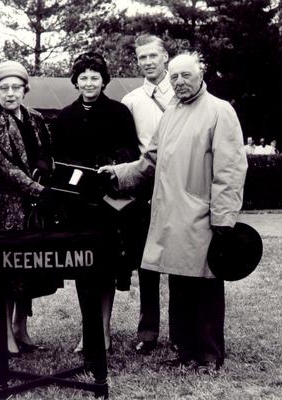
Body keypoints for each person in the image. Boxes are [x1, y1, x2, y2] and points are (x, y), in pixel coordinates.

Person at [99, 52, 247, 373]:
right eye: (175, 77)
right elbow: (148, 162)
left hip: (204, 218)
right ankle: (184, 350)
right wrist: (116, 173)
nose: (179, 82)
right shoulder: (170, 114)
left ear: (200, 74)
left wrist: (223, 219)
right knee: (180, 287)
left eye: (185, 75)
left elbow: (230, 170)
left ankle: (209, 355)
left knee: (205, 287)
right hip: (170, 216)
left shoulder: (220, 111)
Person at [52, 51, 140, 353]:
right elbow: (57, 161)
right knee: (83, 269)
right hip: (77, 206)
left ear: (104, 81)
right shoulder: (64, 117)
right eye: (83, 78)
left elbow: (131, 152)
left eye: (95, 77)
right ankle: (87, 331)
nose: (89, 83)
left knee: (106, 268)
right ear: (76, 81)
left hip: (109, 204)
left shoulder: (119, 112)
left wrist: (111, 164)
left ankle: (103, 331)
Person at [0, 60, 59, 356]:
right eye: (4, 88)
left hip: (35, 208)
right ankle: (5, 336)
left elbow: (48, 154)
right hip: (8, 207)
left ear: (25, 89)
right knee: (8, 272)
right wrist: (39, 189)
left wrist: (45, 170)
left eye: (16, 87)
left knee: (30, 271)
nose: (10, 93)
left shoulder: (35, 118)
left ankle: (21, 328)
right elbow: (4, 168)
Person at [120, 34, 176, 355]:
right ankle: (148, 330)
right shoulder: (131, 101)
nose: (148, 62)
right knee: (147, 264)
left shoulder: (183, 92)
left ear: (165, 57)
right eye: (142, 57)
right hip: (145, 191)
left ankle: (182, 331)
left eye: (153, 56)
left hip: (180, 187)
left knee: (183, 262)